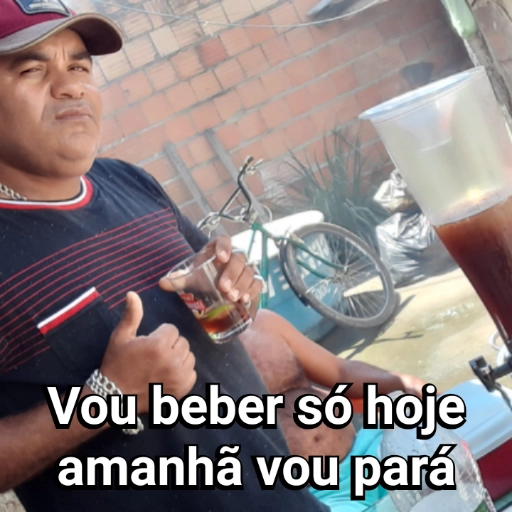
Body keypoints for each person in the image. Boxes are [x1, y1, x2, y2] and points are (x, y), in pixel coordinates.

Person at [0, 2, 331, 511]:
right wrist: (106, 398)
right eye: (32, 70)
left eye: (80, 66)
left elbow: (210, 286)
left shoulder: (130, 182)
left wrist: (234, 284)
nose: (71, 87)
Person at [240, 309, 427, 511]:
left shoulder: (265, 323)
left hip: (367, 448)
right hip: (318, 495)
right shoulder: (211, 369)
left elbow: (340, 372)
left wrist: (403, 382)